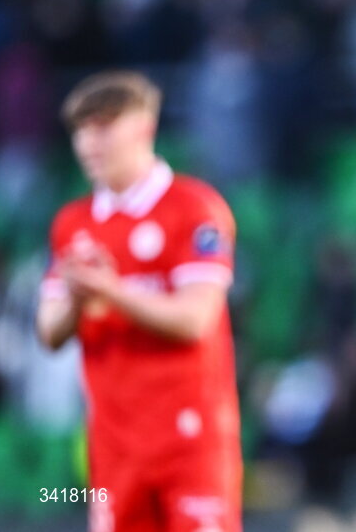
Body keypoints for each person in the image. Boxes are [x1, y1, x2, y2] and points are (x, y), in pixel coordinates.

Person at [37, 71, 241, 532]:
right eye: (81, 131)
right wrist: (76, 293)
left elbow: (195, 320)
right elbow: (49, 331)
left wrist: (110, 290)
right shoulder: (73, 224)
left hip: (189, 441)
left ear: (145, 127)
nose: (90, 143)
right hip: (113, 447)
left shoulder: (194, 208)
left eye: (103, 126)